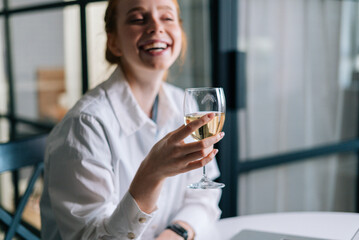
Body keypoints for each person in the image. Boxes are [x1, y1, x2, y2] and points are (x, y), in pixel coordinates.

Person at [40, 0, 224, 239]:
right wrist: (151, 174)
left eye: (167, 18)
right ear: (114, 42)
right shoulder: (85, 124)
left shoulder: (184, 105)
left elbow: (204, 197)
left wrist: (177, 232)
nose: (156, 27)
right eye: (138, 19)